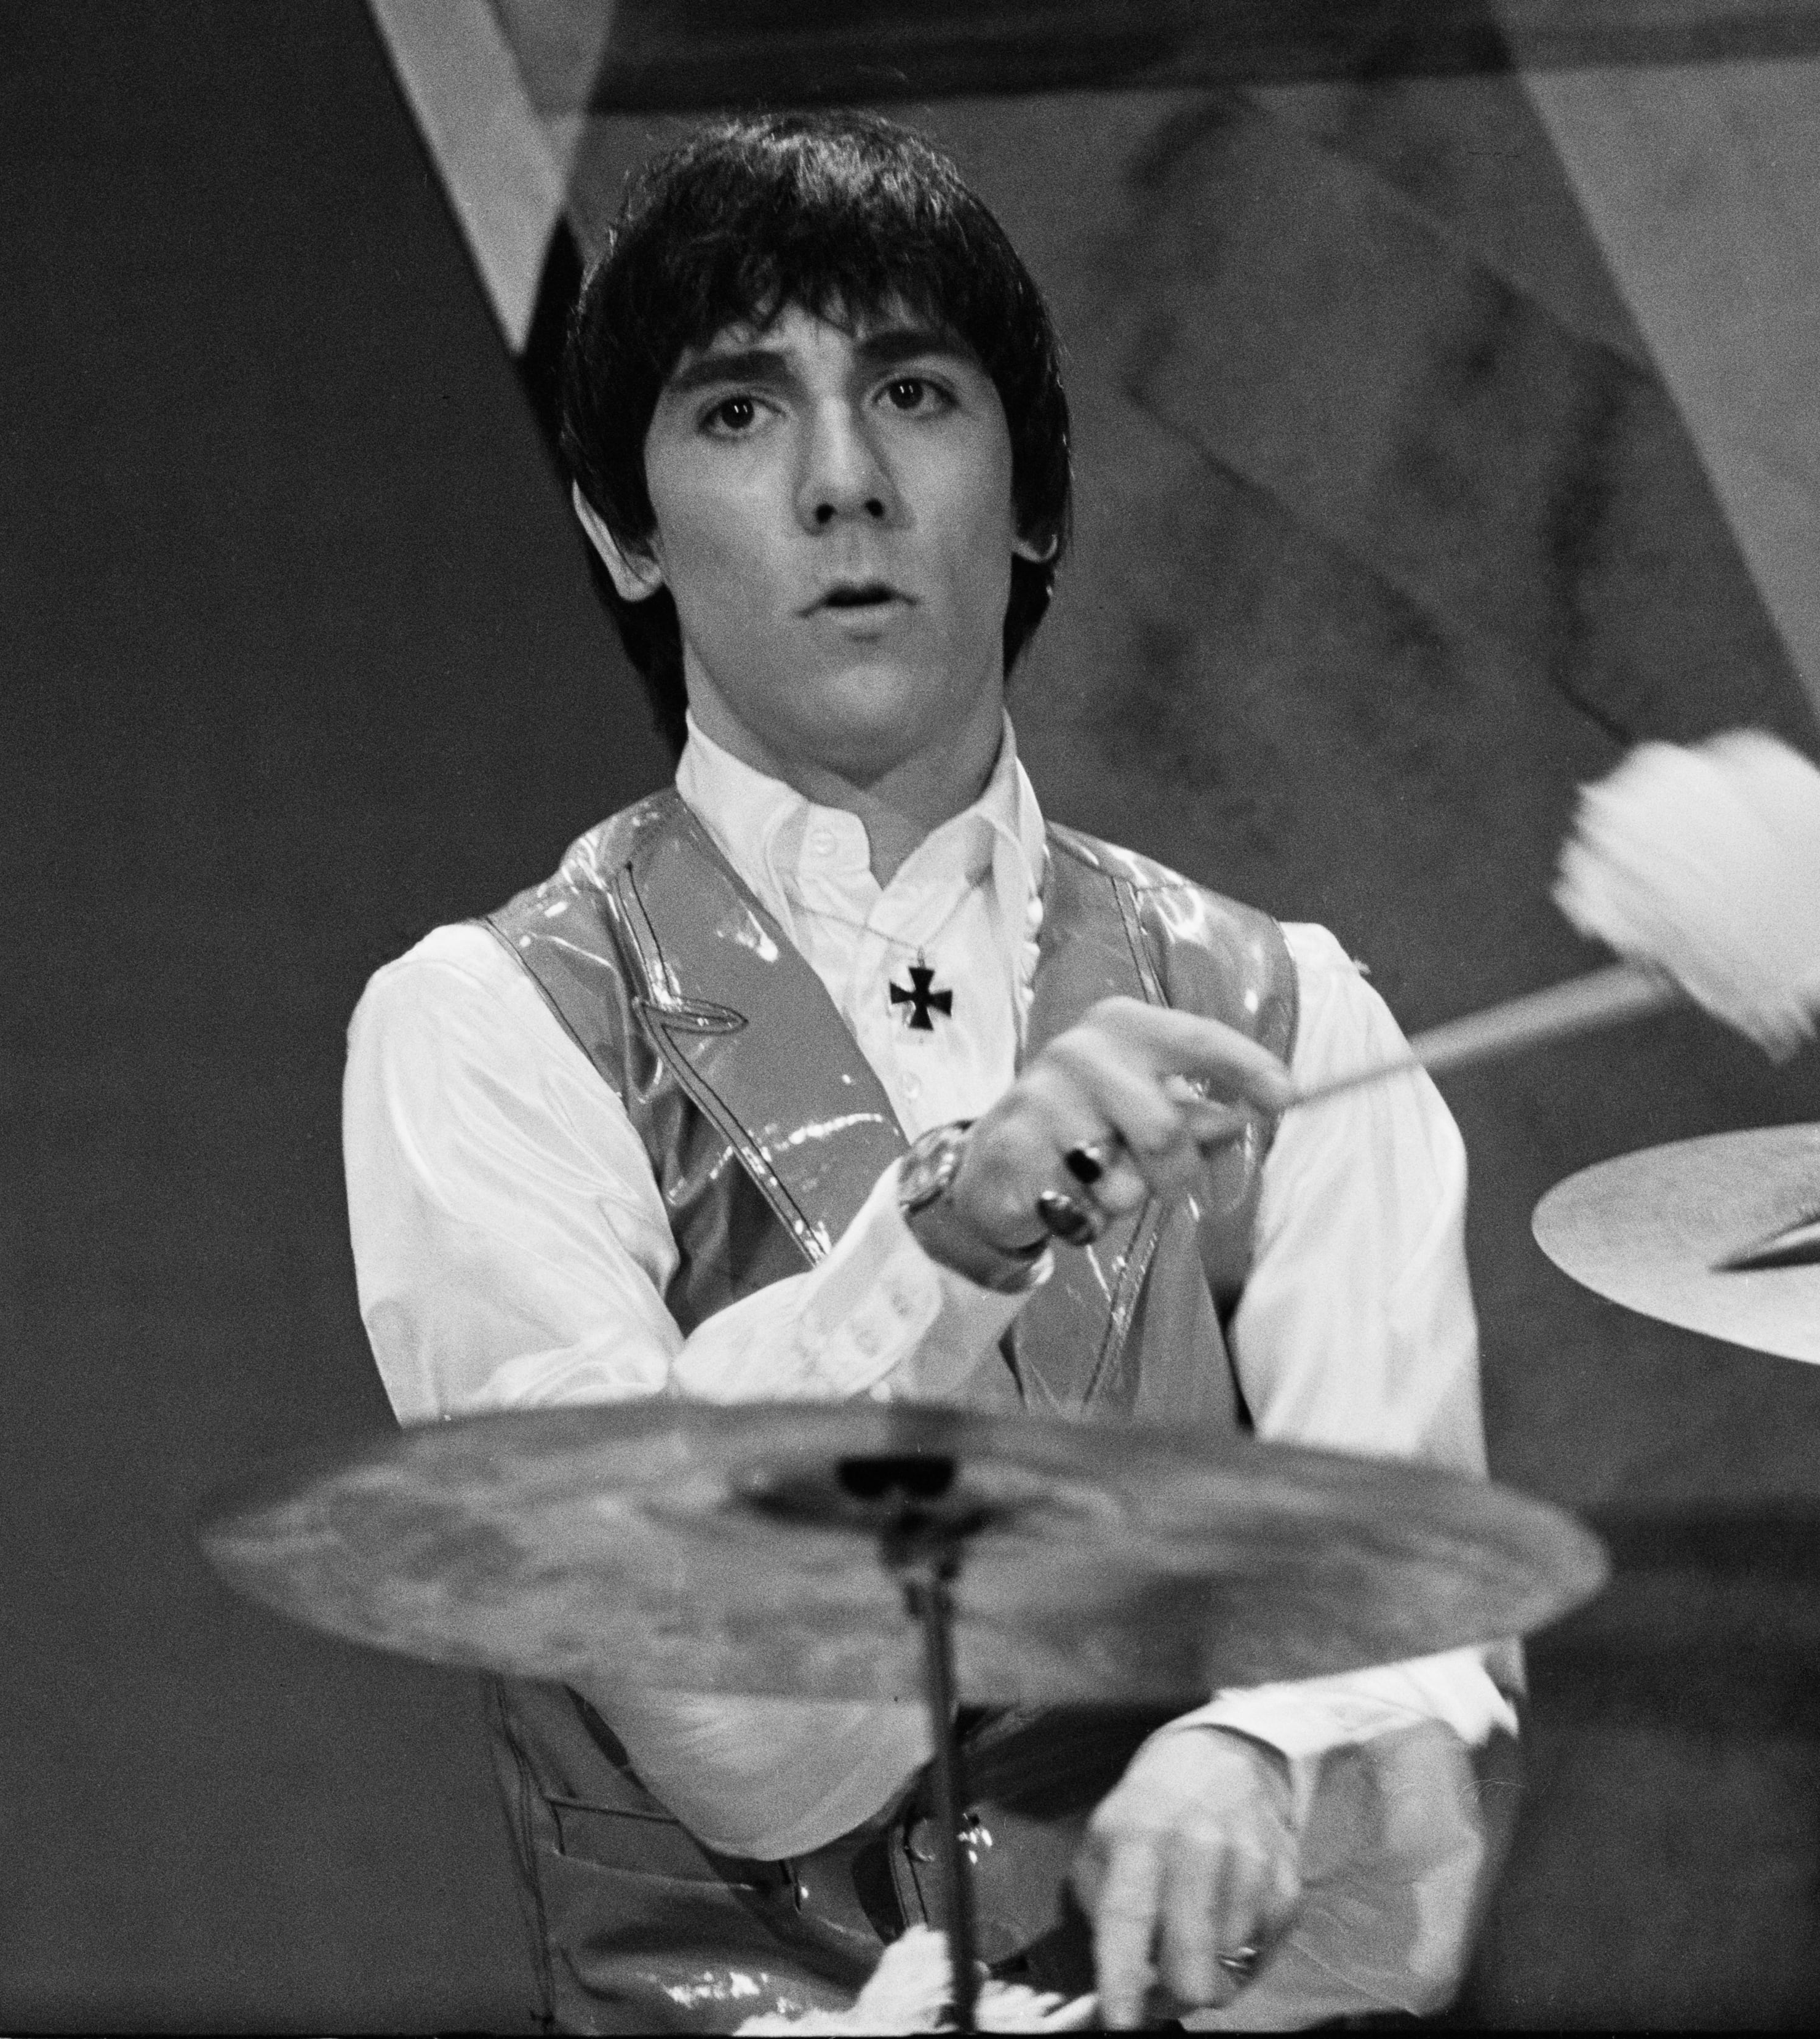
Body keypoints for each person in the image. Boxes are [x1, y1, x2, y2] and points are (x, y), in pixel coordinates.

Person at [344, 109, 1514, 2033]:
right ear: (620, 533)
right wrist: (946, 1250)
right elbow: (738, 1744)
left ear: (1033, 492)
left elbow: (1416, 1706)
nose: (841, 483)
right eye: (736, 412)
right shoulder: (485, 1028)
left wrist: (1274, 1746)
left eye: (910, 390)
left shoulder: (1288, 1012)